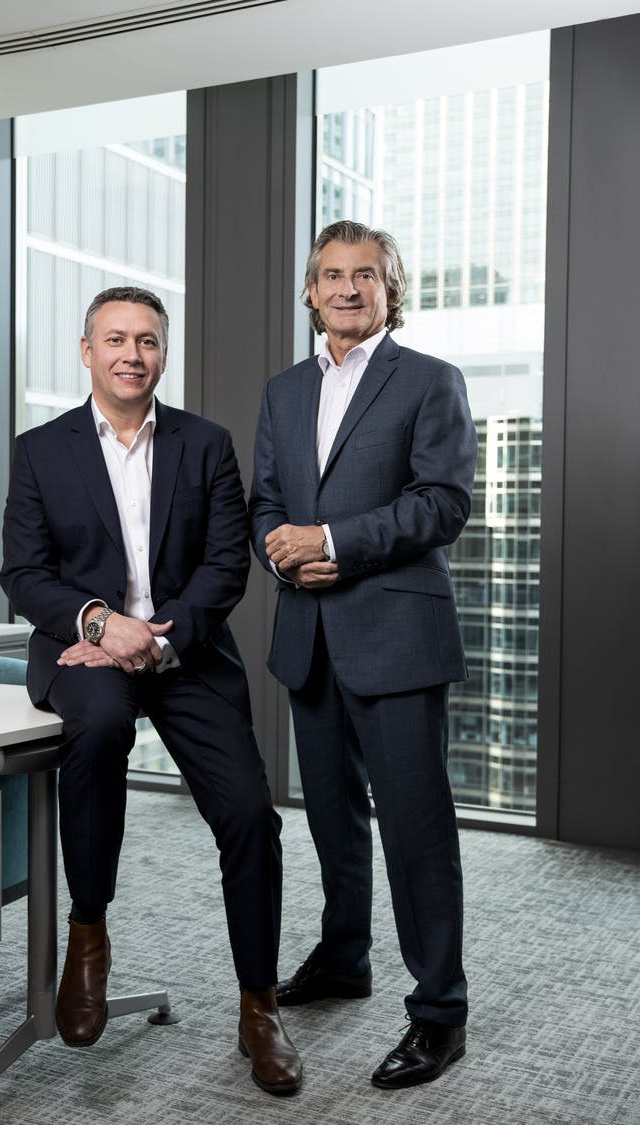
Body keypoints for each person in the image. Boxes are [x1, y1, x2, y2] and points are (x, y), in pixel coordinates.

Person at [0, 286, 301, 1096]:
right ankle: (88, 929)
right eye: (117, 339)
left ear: (163, 353)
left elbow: (225, 564)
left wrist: (158, 637)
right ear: (88, 349)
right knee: (95, 734)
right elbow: (23, 574)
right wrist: (100, 625)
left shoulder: (205, 443)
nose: (133, 353)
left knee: (249, 816)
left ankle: (259, 1005)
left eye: (149, 341)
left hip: (186, 653)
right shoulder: (41, 449)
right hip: (84, 651)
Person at [249, 220, 477, 1090]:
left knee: (417, 830)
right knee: (333, 817)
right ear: (311, 291)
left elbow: (444, 502)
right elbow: (267, 496)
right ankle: (345, 955)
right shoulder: (282, 391)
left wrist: (338, 537)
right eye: (332, 276)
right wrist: (279, 540)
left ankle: (440, 1012)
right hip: (308, 631)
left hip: (396, 634)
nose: (348, 289)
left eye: (367, 276)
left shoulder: (428, 380)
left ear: (391, 290)